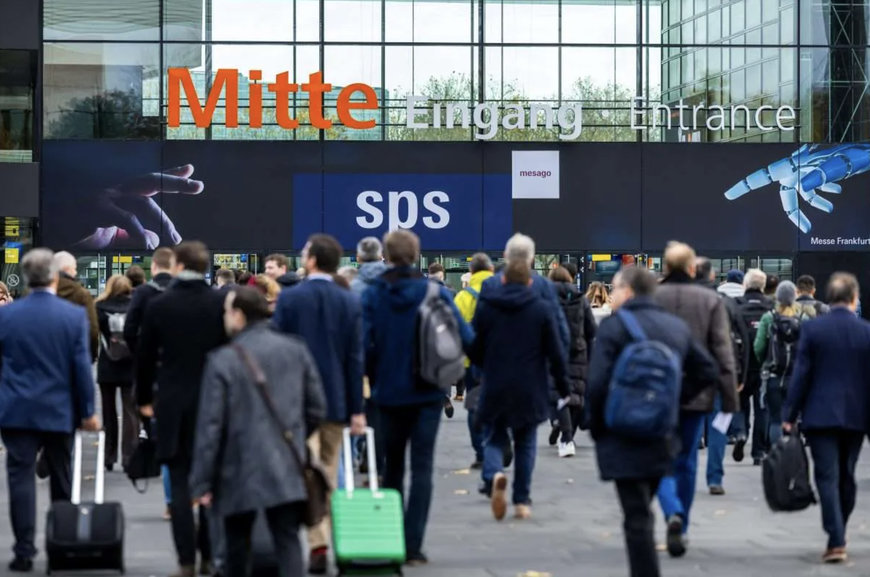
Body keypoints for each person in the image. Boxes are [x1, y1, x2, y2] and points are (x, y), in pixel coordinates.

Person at [587, 266, 718, 577]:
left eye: (615, 288)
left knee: (636, 516)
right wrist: (674, 399)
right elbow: (707, 370)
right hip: (661, 430)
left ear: (629, 291)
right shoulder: (675, 327)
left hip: (622, 431)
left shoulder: (614, 327)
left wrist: (597, 426)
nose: (613, 294)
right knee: (644, 504)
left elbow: (597, 383)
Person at [191, 287, 327, 577]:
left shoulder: (222, 359)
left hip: (236, 467)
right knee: (287, 540)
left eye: (227, 312)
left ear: (239, 315)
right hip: (287, 461)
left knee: (236, 543)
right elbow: (316, 407)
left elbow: (211, 425)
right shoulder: (295, 349)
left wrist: (202, 480)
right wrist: (295, 435)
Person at [361, 230, 473, 566]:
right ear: (416, 254)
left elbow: (361, 344)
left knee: (392, 466)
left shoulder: (373, 294)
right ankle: (414, 546)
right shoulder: (435, 292)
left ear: (386, 256)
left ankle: (393, 538)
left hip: (387, 393)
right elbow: (466, 336)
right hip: (427, 391)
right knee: (422, 467)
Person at [0, 248, 100, 572]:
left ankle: (24, 550)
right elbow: (81, 368)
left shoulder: (7, 316)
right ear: (55, 277)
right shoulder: (71, 317)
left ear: (26, 278)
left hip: (17, 409)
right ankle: (62, 545)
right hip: (59, 408)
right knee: (61, 475)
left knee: (20, 480)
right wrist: (87, 410)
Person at [272, 234, 365, 575]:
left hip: (298, 401)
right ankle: (336, 538)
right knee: (330, 469)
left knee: (307, 474)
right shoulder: (349, 301)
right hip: (336, 401)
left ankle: (318, 542)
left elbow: (278, 351)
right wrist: (357, 409)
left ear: (311, 261)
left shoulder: (290, 299)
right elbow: (355, 359)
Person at [137, 241, 227, 577]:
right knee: (213, 482)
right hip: (213, 402)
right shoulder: (220, 303)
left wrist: (144, 400)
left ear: (177, 265)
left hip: (173, 403)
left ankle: (186, 560)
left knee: (179, 482)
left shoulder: (159, 305)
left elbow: (145, 358)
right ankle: (210, 555)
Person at [653, 242, 738, 556]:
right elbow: (723, 352)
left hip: (658, 391)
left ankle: (671, 510)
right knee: (687, 460)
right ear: (692, 268)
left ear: (665, 266)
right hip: (697, 392)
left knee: (660, 457)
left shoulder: (652, 297)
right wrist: (730, 398)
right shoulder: (710, 300)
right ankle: (683, 525)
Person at [470, 260, 570, 521]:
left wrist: (483, 368)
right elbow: (556, 352)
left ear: (502, 280)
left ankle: (494, 474)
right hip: (530, 385)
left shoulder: (488, 307)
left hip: (495, 382)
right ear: (529, 282)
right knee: (525, 441)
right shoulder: (541, 309)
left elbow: (474, 346)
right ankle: (522, 499)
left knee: (494, 435)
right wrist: (563, 386)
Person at [783, 272, 870, 564]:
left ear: (829, 297)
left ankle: (836, 537)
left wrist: (789, 414)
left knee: (826, 476)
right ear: (854, 298)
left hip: (820, 414)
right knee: (847, 474)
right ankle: (839, 528)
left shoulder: (813, 330)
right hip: (857, 415)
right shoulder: (866, 332)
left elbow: (801, 375)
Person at [122, 247, 175, 522]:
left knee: (162, 427)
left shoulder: (143, 293)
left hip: (152, 367)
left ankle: (170, 501)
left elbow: (129, 329)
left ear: (153, 266)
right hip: (182, 369)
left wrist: (141, 352)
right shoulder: (183, 292)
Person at [547, 266, 596, 458]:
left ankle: (564, 433)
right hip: (579, 352)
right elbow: (591, 329)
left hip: (554, 351)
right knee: (576, 395)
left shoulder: (547, 299)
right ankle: (568, 436)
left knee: (558, 393)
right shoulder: (581, 299)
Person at [753, 281, 809, 446]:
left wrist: (765, 362)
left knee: (775, 419)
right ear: (795, 296)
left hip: (773, 375)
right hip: (796, 377)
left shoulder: (768, 317)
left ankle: (777, 453)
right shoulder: (803, 318)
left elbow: (758, 347)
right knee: (793, 419)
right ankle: (792, 454)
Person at [454, 253, 495, 468]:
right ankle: (498, 441)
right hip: (500, 359)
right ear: (491, 270)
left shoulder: (463, 297)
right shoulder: (502, 291)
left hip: (471, 361)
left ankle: (480, 451)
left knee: (473, 404)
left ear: (471, 272)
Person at [731, 269, 773, 465]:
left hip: (741, 365)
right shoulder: (770, 307)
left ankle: (740, 432)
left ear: (745, 285)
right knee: (762, 409)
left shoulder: (736, 306)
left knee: (739, 404)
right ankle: (759, 452)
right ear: (763, 286)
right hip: (764, 366)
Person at [95, 274, 137, 471]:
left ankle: (109, 455)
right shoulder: (134, 306)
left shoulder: (99, 307)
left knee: (108, 411)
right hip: (130, 363)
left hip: (108, 363)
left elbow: (93, 332)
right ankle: (129, 456)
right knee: (130, 412)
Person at [53, 251, 99, 362]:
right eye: (74, 268)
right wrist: (91, 356)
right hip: (73, 355)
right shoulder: (82, 294)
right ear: (67, 269)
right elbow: (92, 330)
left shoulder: (39, 291)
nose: (76, 272)